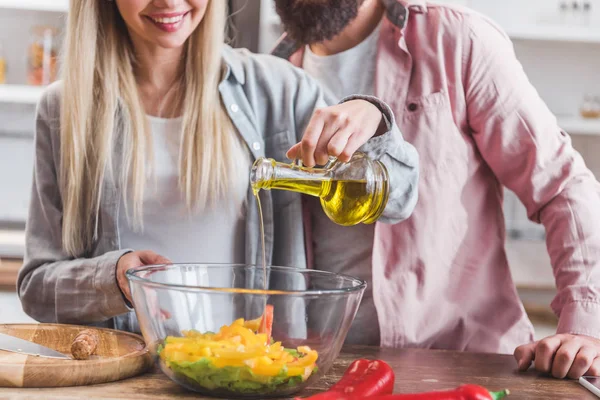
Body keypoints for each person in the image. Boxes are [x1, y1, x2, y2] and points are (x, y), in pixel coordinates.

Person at [17, 0, 419, 334]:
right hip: (126, 378)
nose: (169, 2)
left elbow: (399, 200)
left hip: (253, 370)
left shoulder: (277, 89)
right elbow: (37, 288)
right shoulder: (64, 109)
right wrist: (113, 278)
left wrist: (373, 121)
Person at [272, 0, 600, 379]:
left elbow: (562, 186)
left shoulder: (456, 41)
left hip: (465, 366)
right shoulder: (270, 73)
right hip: (327, 369)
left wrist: (585, 325)